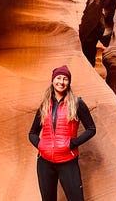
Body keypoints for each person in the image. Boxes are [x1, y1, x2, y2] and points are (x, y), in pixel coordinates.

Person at [28, 65, 96, 201]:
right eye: (58, 78)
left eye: (65, 79)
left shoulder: (77, 103)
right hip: (44, 162)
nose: (61, 82)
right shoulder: (45, 104)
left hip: (67, 161)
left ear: (69, 82)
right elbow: (32, 133)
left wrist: (71, 144)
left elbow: (91, 129)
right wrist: (42, 146)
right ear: (53, 80)